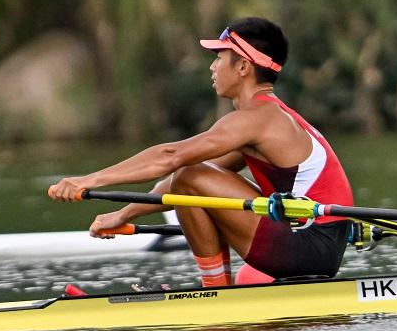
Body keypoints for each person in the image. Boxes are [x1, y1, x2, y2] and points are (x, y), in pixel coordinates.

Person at [48, 17, 354, 287]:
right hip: (313, 245)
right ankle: (220, 290)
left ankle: (213, 290)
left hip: (308, 246)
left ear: (244, 67)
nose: (212, 66)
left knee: (189, 172)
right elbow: (189, 180)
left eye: (219, 58)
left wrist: (89, 180)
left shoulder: (258, 119)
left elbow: (173, 157)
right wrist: (124, 214)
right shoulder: (267, 119)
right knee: (194, 176)